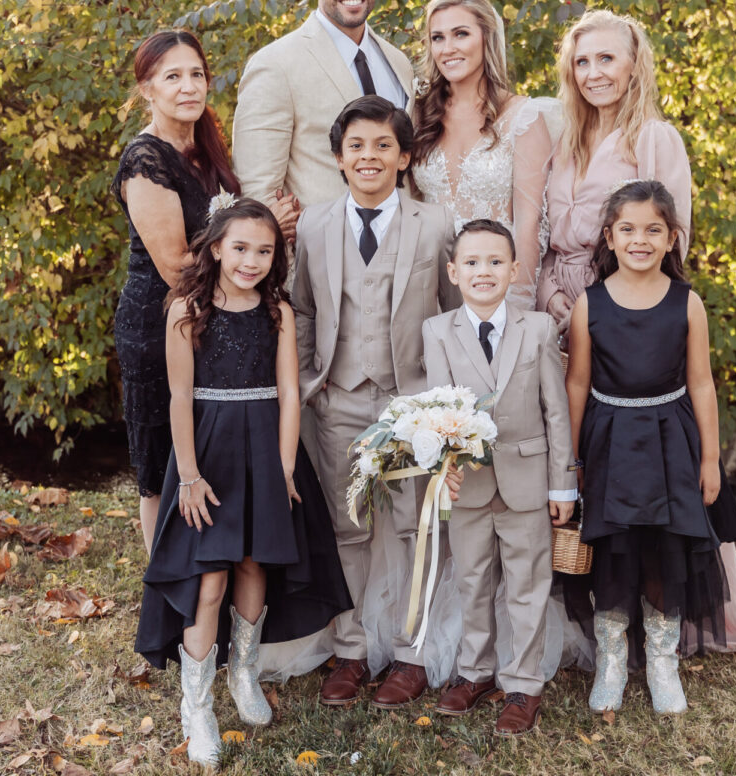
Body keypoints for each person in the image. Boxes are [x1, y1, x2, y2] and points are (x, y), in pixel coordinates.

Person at [133, 199, 350, 767]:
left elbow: (287, 396)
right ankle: (197, 704)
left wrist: (283, 469)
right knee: (209, 581)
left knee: (255, 564)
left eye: (264, 250)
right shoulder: (185, 307)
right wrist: (188, 474)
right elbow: (179, 396)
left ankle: (245, 673)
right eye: (240, 248)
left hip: (266, 452)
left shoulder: (277, 312)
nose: (251, 260)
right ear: (214, 248)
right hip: (208, 452)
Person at [563, 180, 736, 714]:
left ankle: (664, 661)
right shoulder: (588, 304)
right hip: (610, 441)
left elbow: (703, 383)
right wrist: (573, 458)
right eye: (628, 229)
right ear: (609, 237)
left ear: (672, 238)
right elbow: (576, 382)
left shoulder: (686, 303)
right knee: (615, 555)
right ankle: (613, 659)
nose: (639, 239)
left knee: (665, 551)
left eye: (653, 230)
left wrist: (710, 459)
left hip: (671, 441)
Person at [290, 96, 459, 708]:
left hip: (412, 401)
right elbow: (303, 309)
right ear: (338, 158)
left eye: (383, 146)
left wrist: (441, 401)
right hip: (341, 399)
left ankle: (412, 654)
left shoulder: (435, 224)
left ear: (404, 157)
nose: (369, 156)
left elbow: (452, 312)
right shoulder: (313, 223)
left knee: (417, 529)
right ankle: (352, 648)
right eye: (356, 146)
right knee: (349, 527)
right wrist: (315, 382)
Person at [423, 219, 575, 737]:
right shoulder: (437, 331)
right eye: (471, 262)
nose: (482, 271)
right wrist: (443, 474)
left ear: (514, 270)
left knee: (527, 585)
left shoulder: (537, 328)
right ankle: (475, 670)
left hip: (528, 480)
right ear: (453, 271)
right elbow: (437, 411)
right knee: (471, 580)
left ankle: (524, 683)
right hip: (468, 482)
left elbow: (556, 411)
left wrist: (563, 484)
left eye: (494, 262)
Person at [111, 30, 246, 557]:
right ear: (147, 88)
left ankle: (207, 574)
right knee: (162, 462)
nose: (188, 87)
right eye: (173, 77)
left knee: (204, 452)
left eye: (196, 74)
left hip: (211, 320)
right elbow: (175, 267)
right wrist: (258, 237)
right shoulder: (146, 159)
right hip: (158, 322)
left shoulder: (203, 144)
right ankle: (165, 588)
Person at [232, 0, 415, 222]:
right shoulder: (275, 64)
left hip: (402, 251)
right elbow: (257, 192)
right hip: (318, 258)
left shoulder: (399, 63)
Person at [537, 10, 692, 333]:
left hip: (625, 313)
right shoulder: (564, 142)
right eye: (582, 62)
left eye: (606, 58)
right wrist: (548, 295)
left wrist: (601, 306)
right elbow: (547, 239)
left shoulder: (654, 138)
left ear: (634, 64)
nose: (593, 74)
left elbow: (671, 244)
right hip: (554, 316)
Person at [411, 0, 552, 309]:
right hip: (429, 291)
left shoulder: (523, 118)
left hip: (497, 291)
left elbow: (529, 223)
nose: (448, 49)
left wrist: (517, 306)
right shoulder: (419, 115)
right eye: (438, 38)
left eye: (461, 34)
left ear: (487, 38)